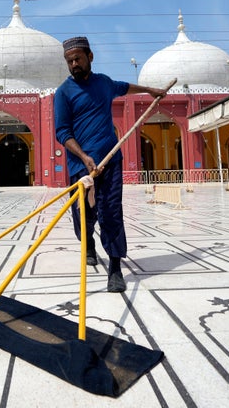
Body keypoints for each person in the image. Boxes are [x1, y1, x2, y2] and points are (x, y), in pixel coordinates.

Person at [54, 36, 172, 292]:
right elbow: (62, 132)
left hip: (110, 161)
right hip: (80, 166)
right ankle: (89, 245)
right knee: (82, 214)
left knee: (111, 212)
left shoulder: (104, 83)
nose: (74, 64)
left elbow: (124, 86)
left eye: (78, 59)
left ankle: (115, 268)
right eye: (69, 60)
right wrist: (84, 157)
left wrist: (150, 90)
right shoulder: (63, 92)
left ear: (90, 57)